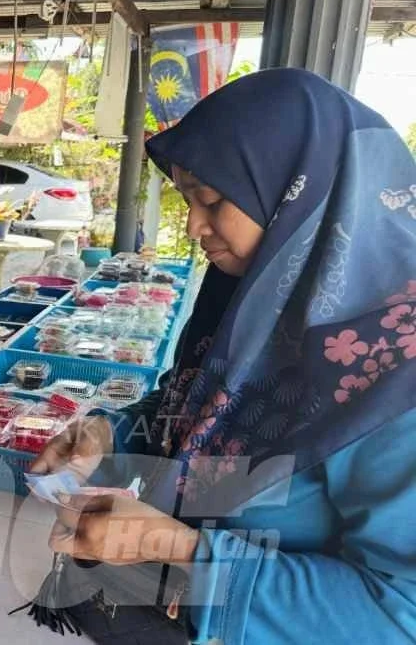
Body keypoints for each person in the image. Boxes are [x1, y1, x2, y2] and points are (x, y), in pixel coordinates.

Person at [26, 68, 416, 644]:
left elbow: (395, 613)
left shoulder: (395, 375)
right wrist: (110, 434)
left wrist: (176, 547)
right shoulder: (249, 299)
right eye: (187, 198)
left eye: (210, 199)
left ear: (298, 193)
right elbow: (197, 410)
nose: (193, 225)